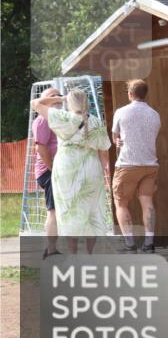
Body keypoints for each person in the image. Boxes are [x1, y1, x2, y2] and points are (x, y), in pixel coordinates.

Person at [30, 89, 112, 254]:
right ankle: (90, 253)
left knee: (68, 212)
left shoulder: (63, 117)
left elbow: (35, 104)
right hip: (91, 169)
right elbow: (104, 151)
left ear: (70, 102)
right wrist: (104, 172)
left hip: (67, 170)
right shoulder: (96, 122)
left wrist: (60, 98)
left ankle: (73, 254)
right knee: (92, 211)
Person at [111, 79, 161, 253]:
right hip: (150, 164)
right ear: (145, 93)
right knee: (147, 201)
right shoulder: (154, 114)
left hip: (127, 164)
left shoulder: (121, 112)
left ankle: (130, 244)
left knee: (121, 203)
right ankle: (149, 243)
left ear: (130, 94)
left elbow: (115, 138)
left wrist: (120, 141)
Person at [31, 87, 61, 258]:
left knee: (58, 210)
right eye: (52, 96)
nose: (56, 98)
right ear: (43, 101)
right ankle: (51, 251)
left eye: (58, 95)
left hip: (57, 170)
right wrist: (53, 169)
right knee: (53, 211)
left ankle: (51, 248)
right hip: (49, 172)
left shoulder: (58, 118)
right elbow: (41, 147)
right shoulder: (43, 119)